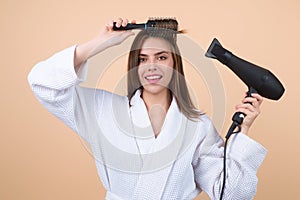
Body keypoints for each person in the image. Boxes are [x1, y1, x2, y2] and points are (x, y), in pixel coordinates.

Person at [28, 18, 267, 200]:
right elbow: (43, 83)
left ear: (175, 64)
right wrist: (100, 42)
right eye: (142, 59)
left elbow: (230, 194)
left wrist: (242, 131)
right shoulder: (103, 110)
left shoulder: (197, 126)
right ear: (134, 66)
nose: (151, 66)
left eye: (162, 57)